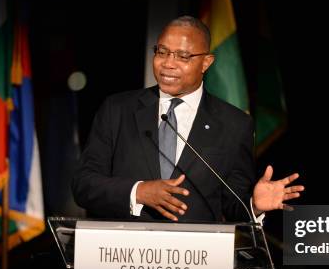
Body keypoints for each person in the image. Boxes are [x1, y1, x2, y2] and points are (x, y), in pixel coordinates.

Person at [72, 16, 303, 222]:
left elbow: (233, 205)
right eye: (162, 52)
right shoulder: (118, 109)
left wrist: (253, 205)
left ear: (206, 62)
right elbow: (83, 185)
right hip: (121, 258)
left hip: (194, 262)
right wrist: (138, 191)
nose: (168, 63)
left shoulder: (234, 125)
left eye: (183, 56)